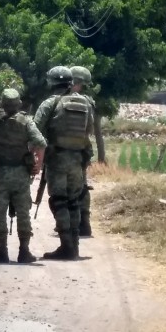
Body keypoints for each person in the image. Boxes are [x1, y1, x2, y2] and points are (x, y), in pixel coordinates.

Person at [0, 89, 46, 263]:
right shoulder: (27, 122)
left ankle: (2, 251)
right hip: (21, 175)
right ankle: (24, 251)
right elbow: (41, 143)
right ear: (18, 103)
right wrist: (38, 164)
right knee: (23, 212)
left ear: (2, 104)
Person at [33, 66, 94, 260]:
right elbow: (88, 131)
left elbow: (35, 132)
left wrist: (35, 158)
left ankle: (66, 246)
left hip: (57, 159)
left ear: (51, 82)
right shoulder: (85, 103)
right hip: (77, 160)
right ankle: (74, 246)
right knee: (74, 201)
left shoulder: (49, 103)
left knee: (58, 201)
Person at [70, 66, 96, 237]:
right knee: (82, 185)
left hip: (69, 150)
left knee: (70, 187)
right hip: (82, 149)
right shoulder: (88, 101)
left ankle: (73, 223)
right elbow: (90, 128)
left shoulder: (72, 100)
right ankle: (83, 222)